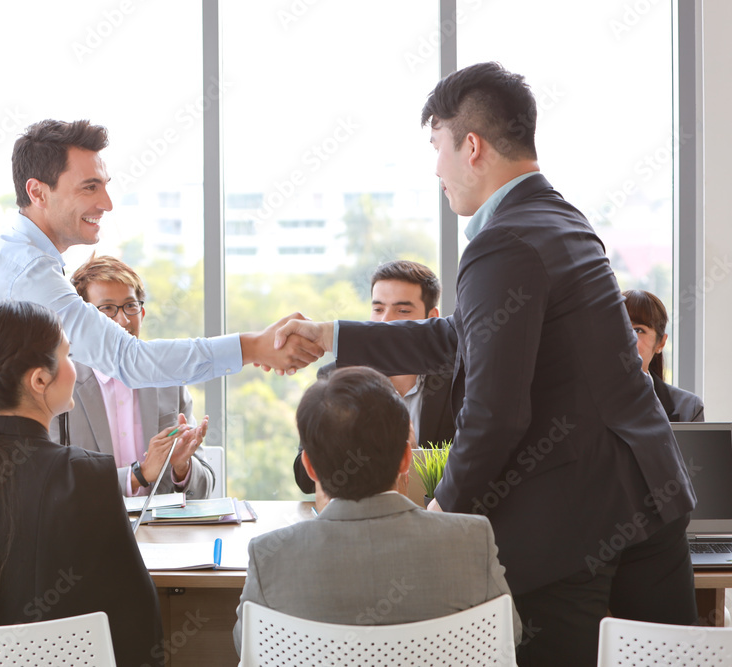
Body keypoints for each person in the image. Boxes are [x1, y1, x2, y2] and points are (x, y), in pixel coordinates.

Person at [274, 63, 696, 666]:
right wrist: (332, 335)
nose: (436, 169)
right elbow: (462, 339)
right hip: (649, 497)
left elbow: (496, 414)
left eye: (436, 147)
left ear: (470, 145)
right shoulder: (561, 219)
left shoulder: (502, 241)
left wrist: (445, 514)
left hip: (576, 528)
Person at [0, 119, 320, 618]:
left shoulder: (9, 246)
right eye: (89, 187)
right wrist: (252, 346)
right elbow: (129, 360)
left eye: (106, 185)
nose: (107, 203)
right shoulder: (27, 269)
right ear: (38, 191)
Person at [0, 300, 162, 667]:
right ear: (40, 379)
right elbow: (138, 626)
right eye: (68, 354)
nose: (75, 368)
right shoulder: (84, 476)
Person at [233, 366, 520, 656]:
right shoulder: (471, 540)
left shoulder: (268, 556)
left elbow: (247, 646)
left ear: (309, 466)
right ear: (407, 458)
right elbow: (510, 635)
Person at [292, 260, 455, 494]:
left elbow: (475, 465)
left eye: (403, 310)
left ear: (432, 318)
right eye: (378, 309)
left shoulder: (457, 380)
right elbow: (304, 478)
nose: (385, 321)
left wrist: (414, 454)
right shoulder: (336, 377)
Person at [61, 254, 214, 498]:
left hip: (160, 534)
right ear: (84, 321)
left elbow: (203, 491)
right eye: (108, 308)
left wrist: (181, 466)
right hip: (89, 532)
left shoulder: (167, 380)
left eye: (131, 306)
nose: (123, 320)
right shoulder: (59, 385)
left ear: (142, 314)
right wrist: (139, 474)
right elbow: (55, 482)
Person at [622, 289, 704, 422]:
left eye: (638, 330)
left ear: (661, 343)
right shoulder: (582, 401)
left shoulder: (688, 408)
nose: (627, 337)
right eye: (620, 327)